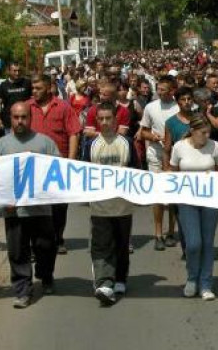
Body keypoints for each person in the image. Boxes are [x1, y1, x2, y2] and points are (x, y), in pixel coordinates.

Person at [0, 102, 60, 309]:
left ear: (30, 118)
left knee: (45, 247)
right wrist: (4, 200)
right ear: (9, 118)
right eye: (15, 117)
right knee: (17, 252)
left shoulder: (45, 143)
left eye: (24, 117)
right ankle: (22, 290)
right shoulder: (0, 147)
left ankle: (46, 275)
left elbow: (57, 172)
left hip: (41, 210)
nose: (20, 121)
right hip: (14, 212)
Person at [170, 114, 218, 300]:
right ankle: (192, 278)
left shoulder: (215, 146)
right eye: (203, 132)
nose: (206, 136)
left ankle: (206, 283)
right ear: (193, 132)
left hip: (211, 202)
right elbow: (174, 174)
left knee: (208, 242)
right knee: (194, 243)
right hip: (187, 202)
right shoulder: (179, 147)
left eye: (209, 132)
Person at [28, 74, 82, 255]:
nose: (34, 92)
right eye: (33, 88)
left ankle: (58, 238)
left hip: (59, 165)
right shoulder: (27, 108)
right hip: (34, 167)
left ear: (49, 88)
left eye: (38, 88)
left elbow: (74, 133)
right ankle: (37, 243)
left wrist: (71, 160)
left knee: (59, 206)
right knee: (36, 206)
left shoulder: (64, 107)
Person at [89, 102, 134, 305]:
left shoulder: (126, 143)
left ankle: (120, 278)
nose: (105, 122)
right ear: (96, 121)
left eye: (109, 118)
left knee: (121, 244)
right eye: (101, 119)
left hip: (122, 206)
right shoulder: (90, 144)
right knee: (101, 245)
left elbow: (137, 171)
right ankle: (104, 282)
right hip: (99, 206)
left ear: (116, 120)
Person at [139, 75, 179, 250]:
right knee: (157, 195)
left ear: (172, 90)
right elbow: (143, 132)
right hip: (155, 154)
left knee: (172, 196)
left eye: (163, 89)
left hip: (175, 157)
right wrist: (153, 137)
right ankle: (158, 233)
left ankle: (171, 231)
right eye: (158, 89)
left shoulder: (180, 107)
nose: (159, 92)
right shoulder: (150, 107)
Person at [0, 62, 33, 133]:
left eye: (19, 71)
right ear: (9, 71)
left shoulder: (27, 83)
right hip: (9, 123)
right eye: (15, 71)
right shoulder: (3, 85)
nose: (17, 73)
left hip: (26, 121)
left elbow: (33, 99)